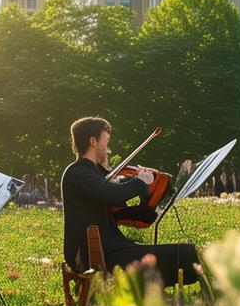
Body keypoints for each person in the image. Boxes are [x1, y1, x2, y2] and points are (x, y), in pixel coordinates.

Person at [61, 116, 200, 286]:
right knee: (186, 254)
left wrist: (147, 199)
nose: (107, 148)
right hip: (93, 256)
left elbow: (126, 204)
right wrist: (139, 182)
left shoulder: (96, 174)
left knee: (186, 252)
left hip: (112, 249)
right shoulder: (77, 172)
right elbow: (112, 193)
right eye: (106, 141)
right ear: (93, 141)